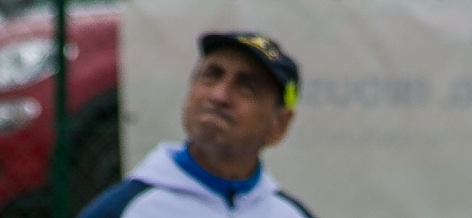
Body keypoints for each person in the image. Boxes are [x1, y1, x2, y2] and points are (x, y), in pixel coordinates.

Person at [80, 31, 314, 218]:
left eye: (246, 87)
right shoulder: (125, 209)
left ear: (279, 124)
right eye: (211, 75)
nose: (219, 96)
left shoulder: (290, 214)